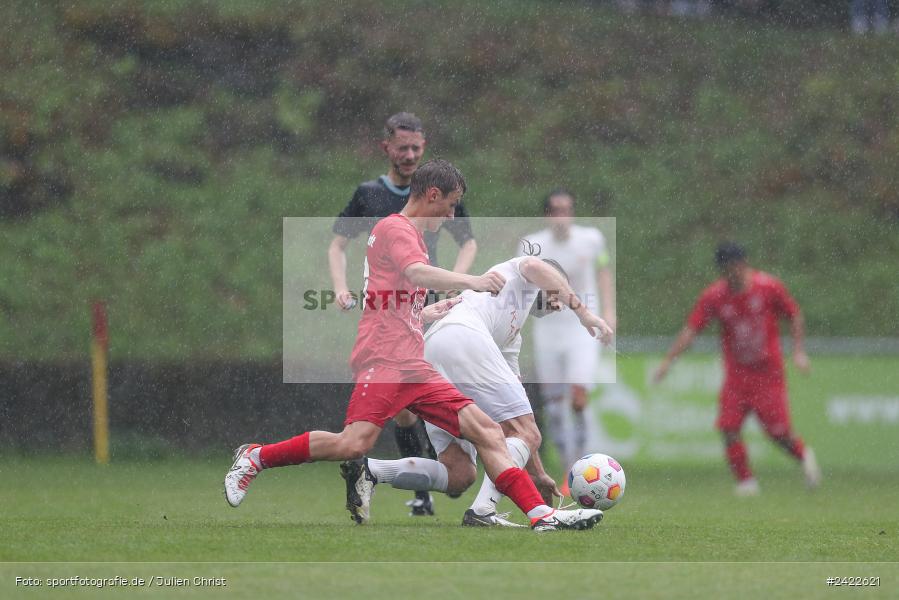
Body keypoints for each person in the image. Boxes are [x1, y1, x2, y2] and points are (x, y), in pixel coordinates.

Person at [225, 159, 604, 532]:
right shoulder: (398, 228)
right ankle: (256, 457)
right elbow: (415, 274)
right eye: (452, 204)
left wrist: (423, 313)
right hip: (386, 360)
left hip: (414, 361)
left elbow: (387, 297)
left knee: (486, 431)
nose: (453, 215)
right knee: (352, 444)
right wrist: (472, 281)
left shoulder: (405, 234)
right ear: (433, 194)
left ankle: (541, 516)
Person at [343, 254, 614, 527]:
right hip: (461, 337)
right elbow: (535, 266)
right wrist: (584, 313)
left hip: (434, 348)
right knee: (526, 432)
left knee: (458, 472)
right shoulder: (523, 273)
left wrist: (537, 473)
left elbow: (517, 417)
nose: (559, 304)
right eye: (560, 290)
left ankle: (370, 470)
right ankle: (485, 510)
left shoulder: (510, 336)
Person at [327, 112, 478, 516]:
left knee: (415, 404)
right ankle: (423, 484)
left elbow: (468, 243)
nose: (409, 154)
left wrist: (456, 281)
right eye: (402, 147)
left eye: (416, 148)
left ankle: (421, 475)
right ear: (387, 148)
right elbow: (338, 245)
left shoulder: (439, 187)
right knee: (405, 410)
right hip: (387, 308)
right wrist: (341, 288)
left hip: (426, 302)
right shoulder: (370, 196)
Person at [653, 242, 821, 496]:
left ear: (744, 264)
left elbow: (794, 314)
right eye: (725, 269)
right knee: (728, 426)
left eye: (735, 267)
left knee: (778, 433)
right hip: (737, 374)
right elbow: (692, 330)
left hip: (768, 373)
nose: (732, 273)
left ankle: (803, 454)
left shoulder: (768, 287)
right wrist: (668, 361)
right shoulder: (714, 296)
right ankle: (746, 483)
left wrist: (798, 351)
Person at [522, 189, 616, 491]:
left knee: (578, 397)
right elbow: (523, 290)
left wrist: (610, 312)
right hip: (548, 332)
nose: (562, 215)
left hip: (581, 330)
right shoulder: (533, 245)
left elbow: (603, 272)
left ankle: (583, 464)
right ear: (547, 215)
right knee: (554, 406)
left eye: (567, 209)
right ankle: (568, 471)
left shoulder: (591, 239)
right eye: (556, 210)